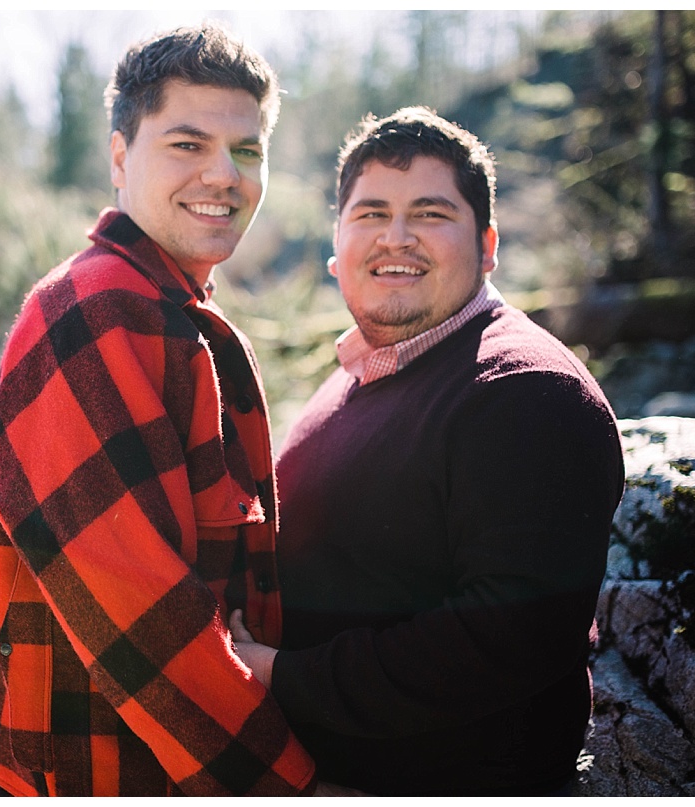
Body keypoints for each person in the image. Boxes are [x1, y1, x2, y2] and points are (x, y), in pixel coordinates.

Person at [231, 107, 625, 796]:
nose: (397, 236)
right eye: (371, 212)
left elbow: (502, 642)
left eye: (432, 213)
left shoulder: (525, 391)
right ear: (336, 246)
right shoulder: (362, 375)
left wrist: (276, 674)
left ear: (488, 244)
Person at [0, 24, 316, 797]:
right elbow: (146, 621)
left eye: (247, 150)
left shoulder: (166, 307)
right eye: (188, 145)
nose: (224, 175)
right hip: (111, 769)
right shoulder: (98, 310)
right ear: (121, 157)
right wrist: (290, 782)